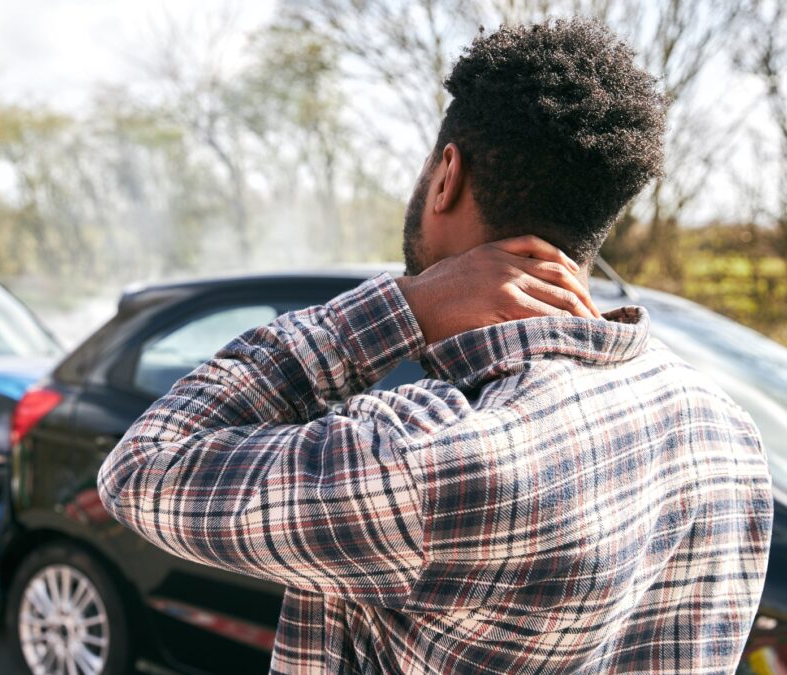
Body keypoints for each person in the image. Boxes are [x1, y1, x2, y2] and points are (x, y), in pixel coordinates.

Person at [98, 18, 773, 674]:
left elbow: (142, 468)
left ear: (446, 174)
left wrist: (403, 306)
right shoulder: (724, 432)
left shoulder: (423, 456)